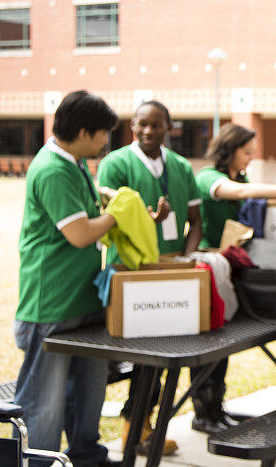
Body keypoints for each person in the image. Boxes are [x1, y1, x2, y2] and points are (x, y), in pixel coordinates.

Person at [14, 90, 121, 467]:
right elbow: (78, 233)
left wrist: (109, 199)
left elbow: (87, 207)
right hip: (51, 303)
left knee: (89, 389)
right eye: (102, 133)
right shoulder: (53, 169)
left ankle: (87, 455)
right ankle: (37, 461)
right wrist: (119, 214)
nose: (105, 141)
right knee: (45, 398)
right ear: (81, 131)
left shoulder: (73, 162)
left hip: (81, 298)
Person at [192, 122, 276, 433]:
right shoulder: (209, 177)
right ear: (229, 150)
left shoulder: (242, 176)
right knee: (209, 340)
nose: (250, 158)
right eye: (246, 152)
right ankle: (202, 413)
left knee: (223, 344)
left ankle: (216, 408)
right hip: (209, 268)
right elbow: (242, 193)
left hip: (234, 269)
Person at [97, 100, 201, 455]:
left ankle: (142, 426)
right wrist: (147, 220)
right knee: (132, 355)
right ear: (131, 125)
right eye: (141, 124)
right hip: (129, 274)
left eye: (156, 125)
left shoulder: (183, 168)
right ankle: (128, 428)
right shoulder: (115, 164)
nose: (147, 131)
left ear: (169, 127)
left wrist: (185, 259)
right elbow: (110, 218)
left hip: (171, 274)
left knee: (161, 356)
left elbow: (196, 222)